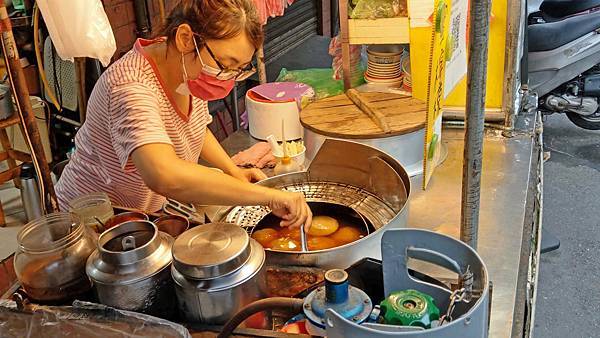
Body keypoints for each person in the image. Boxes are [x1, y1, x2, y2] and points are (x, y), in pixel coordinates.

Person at [55, 0, 312, 230]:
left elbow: (194, 126)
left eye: (238, 69)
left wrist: (232, 171)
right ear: (186, 38)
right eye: (225, 64)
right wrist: (267, 196)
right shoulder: (129, 87)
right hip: (90, 222)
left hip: (141, 214)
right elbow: (164, 174)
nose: (229, 79)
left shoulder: (185, 66)